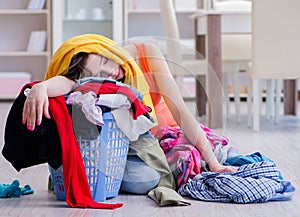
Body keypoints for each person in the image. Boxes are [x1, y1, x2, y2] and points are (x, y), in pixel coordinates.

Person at [22, 34, 237, 195]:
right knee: (145, 178)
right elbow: (68, 82)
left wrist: (214, 163)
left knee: (221, 153)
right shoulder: (95, 83)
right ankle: (98, 178)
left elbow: (180, 110)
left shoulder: (146, 53)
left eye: (107, 63)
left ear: (108, 50)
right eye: (101, 75)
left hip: (168, 134)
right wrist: (41, 87)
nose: (113, 73)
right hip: (132, 147)